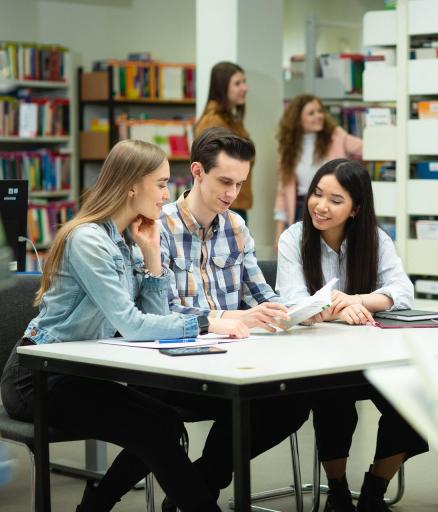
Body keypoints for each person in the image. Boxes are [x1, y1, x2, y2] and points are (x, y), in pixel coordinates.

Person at [0, 140, 249, 512]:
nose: (167, 194)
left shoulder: (130, 240)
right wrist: (202, 324)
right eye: (162, 183)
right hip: (37, 377)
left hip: (81, 373)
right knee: (153, 428)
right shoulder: (88, 240)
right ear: (132, 185)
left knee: (164, 422)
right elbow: (133, 325)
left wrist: (151, 256)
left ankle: (95, 506)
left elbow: (156, 316)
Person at [154, 126, 312, 509]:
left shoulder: (236, 227)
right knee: (243, 407)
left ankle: (199, 486)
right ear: (197, 171)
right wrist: (239, 315)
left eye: (239, 184)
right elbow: (165, 310)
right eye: (224, 181)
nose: (231, 193)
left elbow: (263, 295)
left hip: (234, 361)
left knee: (294, 403)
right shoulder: (158, 227)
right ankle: (198, 491)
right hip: (177, 366)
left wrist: (297, 312)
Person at [277, 159, 427, 512]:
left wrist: (356, 300)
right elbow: (293, 303)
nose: (321, 206)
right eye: (317, 194)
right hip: (319, 360)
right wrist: (340, 309)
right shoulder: (294, 238)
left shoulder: (375, 238)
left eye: (335, 200)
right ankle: (338, 491)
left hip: (373, 356)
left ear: (356, 208)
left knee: (417, 400)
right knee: (334, 399)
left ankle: (375, 490)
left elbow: (403, 292)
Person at [273, 94, 362, 250]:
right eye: (311, 113)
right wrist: (279, 232)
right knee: (305, 256)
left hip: (332, 203)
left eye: (320, 111)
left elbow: (364, 149)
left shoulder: (336, 136)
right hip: (301, 208)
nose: (319, 116)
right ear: (297, 118)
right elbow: (282, 191)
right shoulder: (287, 147)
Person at [195, 61, 252, 221]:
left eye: (244, 82)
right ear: (222, 87)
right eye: (237, 83)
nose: (245, 88)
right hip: (222, 202)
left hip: (233, 201)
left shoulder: (231, 120)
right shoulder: (212, 121)